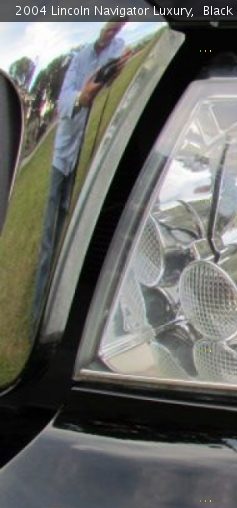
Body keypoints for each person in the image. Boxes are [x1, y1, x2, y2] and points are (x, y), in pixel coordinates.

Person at [32, 21, 128, 322]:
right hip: (64, 154)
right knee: (50, 236)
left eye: (120, 23)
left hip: (89, 154)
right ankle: (39, 316)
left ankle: (68, 312)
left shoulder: (118, 49)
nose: (115, 28)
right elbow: (64, 99)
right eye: (112, 23)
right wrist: (81, 97)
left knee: (76, 235)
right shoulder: (81, 56)